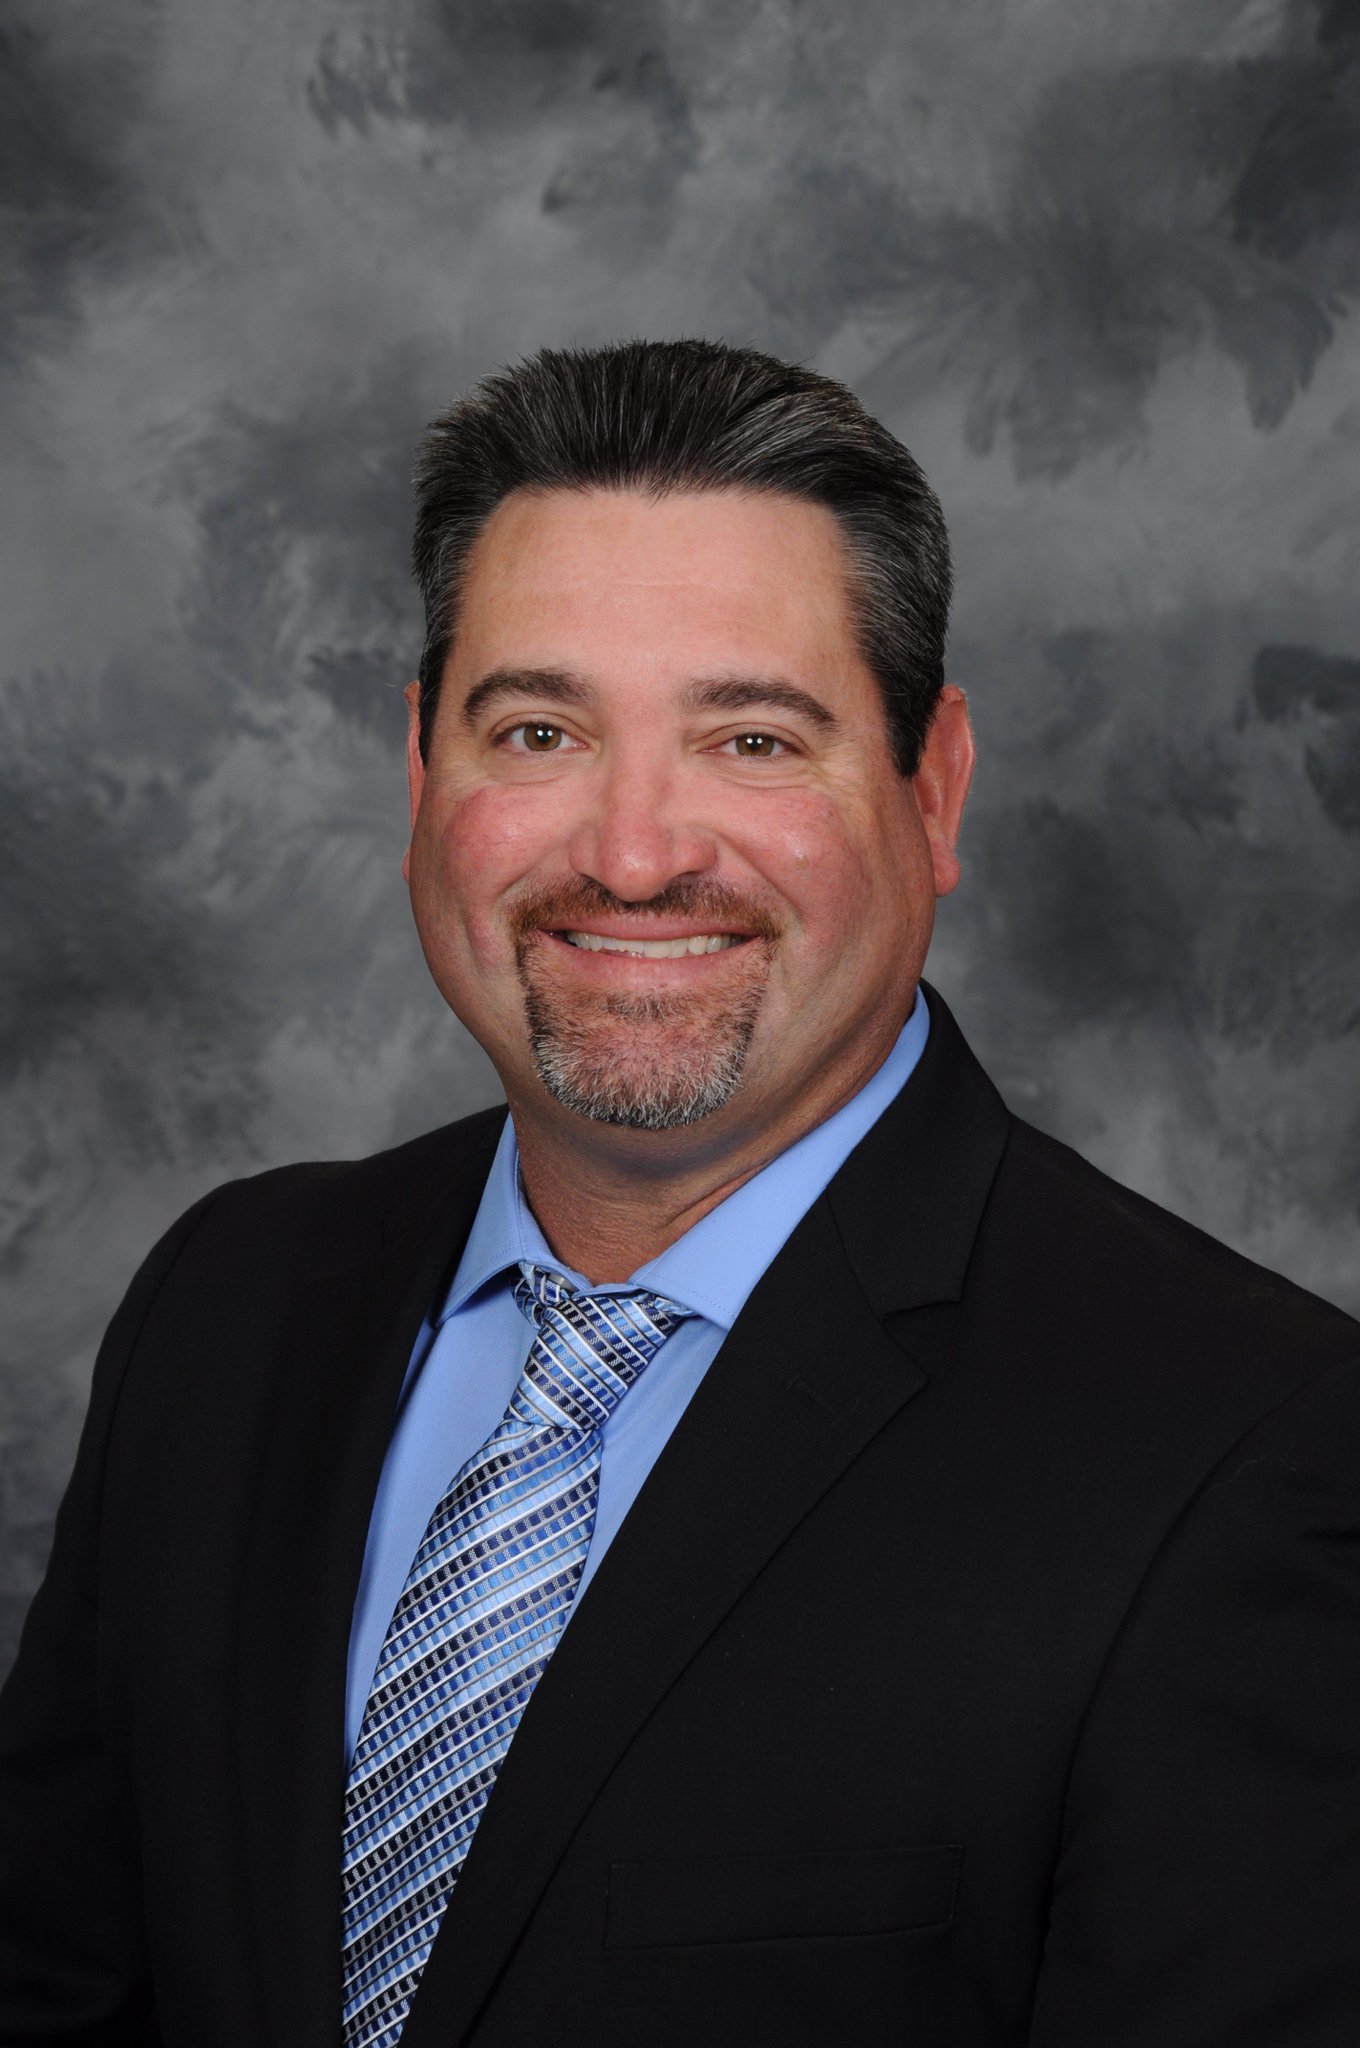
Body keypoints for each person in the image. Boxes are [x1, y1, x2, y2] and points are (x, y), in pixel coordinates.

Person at [0, 338, 1356, 2048]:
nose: (634, 855)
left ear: (934, 788)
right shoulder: (231, 1302)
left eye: (752, 741)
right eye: (540, 730)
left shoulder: (1246, 1449)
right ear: (421, 773)